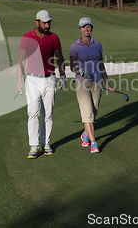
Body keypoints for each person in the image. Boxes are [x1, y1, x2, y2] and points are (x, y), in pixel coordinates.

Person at [17, 10, 66, 159]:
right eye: (44, 22)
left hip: (49, 79)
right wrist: (19, 79)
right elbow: (21, 59)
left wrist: (62, 75)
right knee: (33, 113)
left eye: (49, 22)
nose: (47, 25)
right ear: (37, 22)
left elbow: (59, 57)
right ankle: (34, 146)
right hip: (32, 80)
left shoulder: (54, 38)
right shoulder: (27, 37)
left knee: (48, 114)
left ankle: (46, 144)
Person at [70, 17, 114, 153]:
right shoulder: (74, 46)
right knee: (87, 114)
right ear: (80, 29)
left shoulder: (97, 45)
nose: (86, 29)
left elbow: (101, 64)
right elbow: (72, 66)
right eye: (84, 27)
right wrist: (80, 71)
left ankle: (85, 134)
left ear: (91, 28)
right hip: (82, 83)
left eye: (88, 27)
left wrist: (108, 83)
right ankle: (94, 142)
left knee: (93, 113)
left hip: (97, 81)